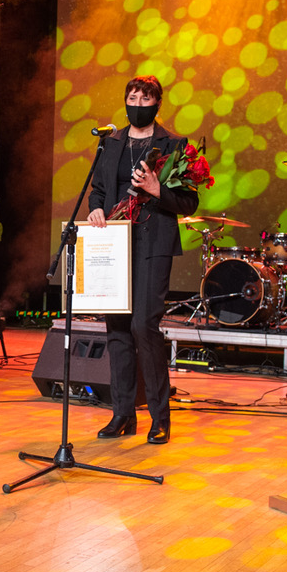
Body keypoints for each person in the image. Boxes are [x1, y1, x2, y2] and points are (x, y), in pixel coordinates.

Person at [87, 75, 198, 445]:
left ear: (157, 104)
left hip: (153, 242)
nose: (137, 104)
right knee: (117, 328)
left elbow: (189, 202)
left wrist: (156, 189)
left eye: (144, 99)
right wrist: (96, 209)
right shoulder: (110, 142)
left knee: (143, 326)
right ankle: (122, 415)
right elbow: (99, 189)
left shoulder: (174, 145)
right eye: (132, 98)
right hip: (114, 243)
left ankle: (159, 417)